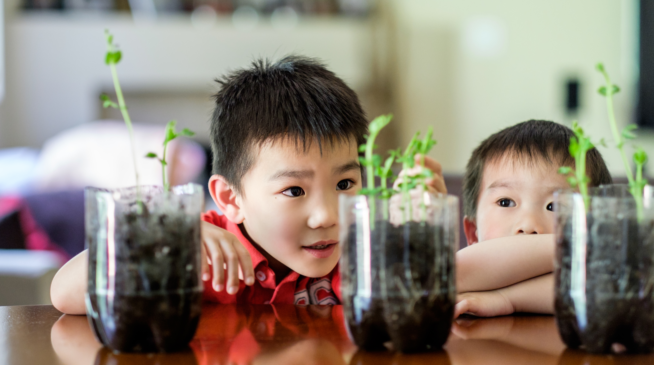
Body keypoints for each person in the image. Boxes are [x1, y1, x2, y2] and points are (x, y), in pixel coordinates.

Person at [453, 120, 612, 317]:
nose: (528, 225)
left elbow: (602, 287)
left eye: (555, 207)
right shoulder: (459, 276)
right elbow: (455, 273)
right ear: (472, 233)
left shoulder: (604, 279)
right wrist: (585, 244)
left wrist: (507, 298)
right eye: (505, 202)